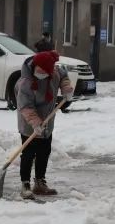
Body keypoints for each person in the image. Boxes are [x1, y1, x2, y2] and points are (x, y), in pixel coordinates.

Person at [15, 50, 73, 199]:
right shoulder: (25, 83)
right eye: (38, 71)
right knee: (28, 153)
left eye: (44, 73)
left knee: (44, 151)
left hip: (47, 120)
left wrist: (66, 88)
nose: (40, 74)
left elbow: (63, 75)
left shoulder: (53, 73)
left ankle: (40, 183)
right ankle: (25, 184)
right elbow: (25, 106)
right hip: (29, 122)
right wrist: (35, 122)